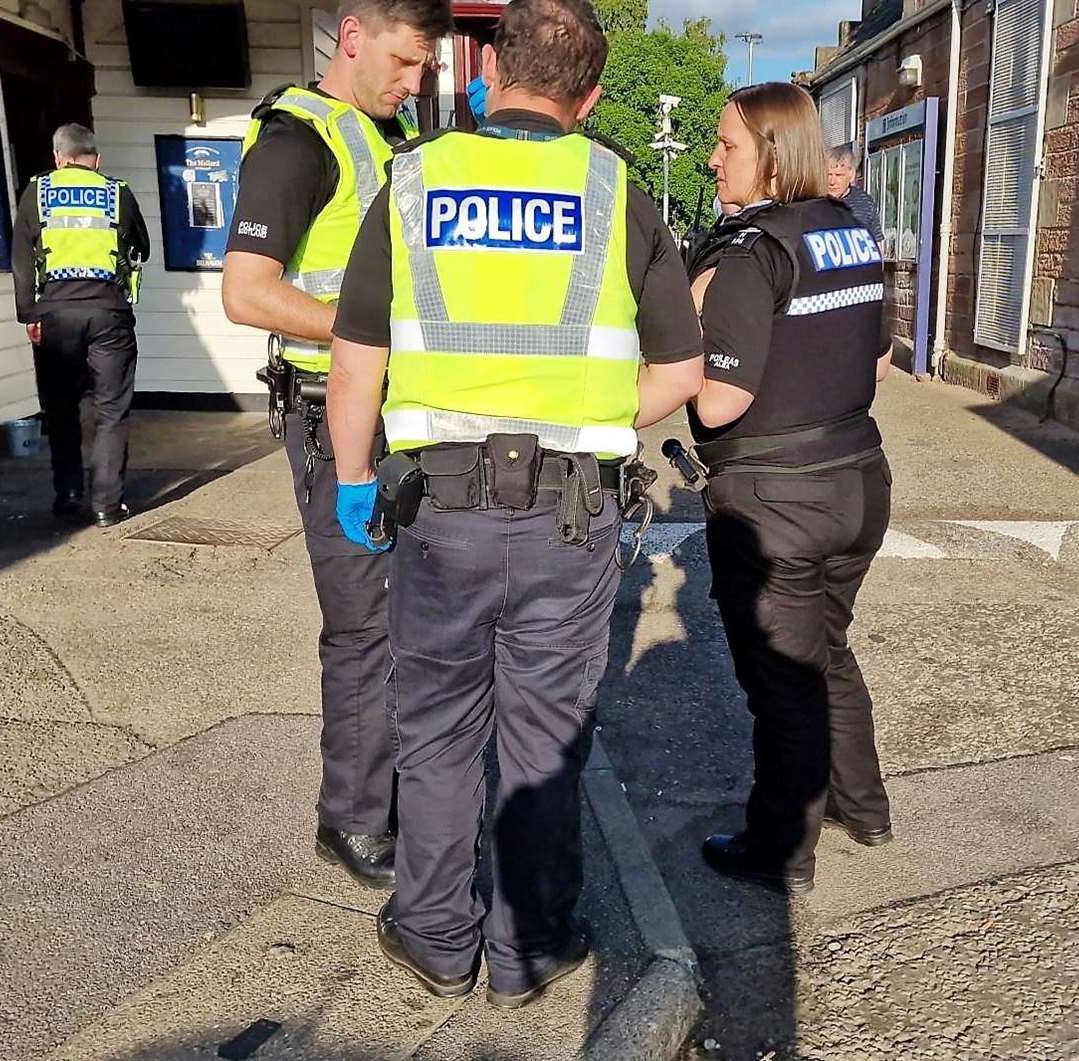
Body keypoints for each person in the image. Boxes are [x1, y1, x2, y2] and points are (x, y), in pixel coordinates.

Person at [322, 0, 703, 1007]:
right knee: (545, 735)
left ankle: (438, 939)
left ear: (489, 73)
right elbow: (684, 367)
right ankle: (530, 950)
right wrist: (585, 419)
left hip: (435, 512)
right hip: (570, 514)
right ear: (586, 96)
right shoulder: (615, 186)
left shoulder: (414, 179)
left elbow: (356, 357)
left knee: (438, 727)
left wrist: (355, 480)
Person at [219, 0, 451, 889]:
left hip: (395, 411)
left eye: (423, 68)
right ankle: (351, 819)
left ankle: (396, 794)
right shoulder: (297, 144)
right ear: (350, 38)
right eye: (401, 61)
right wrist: (367, 337)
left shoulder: (385, 143)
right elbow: (247, 293)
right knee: (363, 625)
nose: (413, 81)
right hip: (327, 414)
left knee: (412, 616)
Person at [686, 83, 895, 895]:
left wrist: (693, 337)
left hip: (776, 500)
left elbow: (717, 401)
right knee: (827, 651)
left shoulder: (753, 253)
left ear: (770, 155)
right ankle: (864, 805)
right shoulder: (850, 233)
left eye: (726, 146)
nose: (713, 159)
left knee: (783, 683)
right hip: (860, 483)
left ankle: (782, 848)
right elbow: (878, 359)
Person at [13, 123, 150, 527]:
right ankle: (107, 505)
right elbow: (142, 245)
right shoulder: (117, 192)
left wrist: (28, 314)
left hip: (55, 314)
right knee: (111, 410)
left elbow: (21, 261)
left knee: (60, 408)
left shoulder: (36, 193)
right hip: (109, 313)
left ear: (58, 157)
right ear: (96, 159)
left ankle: (69, 495)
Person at [826, 144, 882, 247]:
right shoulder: (816, 202)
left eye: (838, 175)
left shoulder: (865, 203)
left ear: (851, 175)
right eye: (829, 175)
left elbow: (878, 245)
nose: (832, 181)